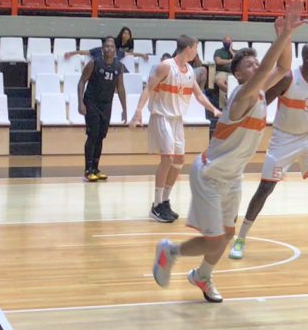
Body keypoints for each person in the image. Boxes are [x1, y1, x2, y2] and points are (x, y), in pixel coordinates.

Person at [152, 2, 306, 303]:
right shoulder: (241, 96)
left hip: (232, 177)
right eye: (249, 65)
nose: (256, 66)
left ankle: (202, 276)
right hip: (210, 174)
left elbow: (282, 68)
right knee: (214, 241)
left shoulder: (258, 91)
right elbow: (268, 68)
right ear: (237, 73)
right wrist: (282, 36)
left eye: (256, 62)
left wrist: (286, 36)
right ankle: (170, 252)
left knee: (225, 237)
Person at [229, 42, 308, 260]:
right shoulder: (288, 78)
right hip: (283, 138)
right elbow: (262, 101)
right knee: (265, 188)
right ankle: (240, 238)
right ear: (307, 60)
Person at [130, 35, 221, 223]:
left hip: (177, 119)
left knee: (179, 159)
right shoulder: (165, 66)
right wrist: (138, 111)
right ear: (188, 48)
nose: (196, 52)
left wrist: (213, 109)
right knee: (168, 158)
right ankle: (156, 205)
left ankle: (165, 201)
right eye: (195, 48)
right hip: (161, 116)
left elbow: (198, 95)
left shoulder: (190, 71)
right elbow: (148, 89)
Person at [77, 36, 126, 182]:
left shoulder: (118, 66)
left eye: (112, 46)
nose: (109, 49)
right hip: (91, 102)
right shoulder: (94, 63)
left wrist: (124, 108)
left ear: (115, 50)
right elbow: (81, 82)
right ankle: (88, 170)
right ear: (102, 49)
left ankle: (95, 169)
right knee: (92, 135)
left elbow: (120, 87)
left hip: (106, 104)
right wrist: (80, 103)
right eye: (107, 46)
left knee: (100, 136)